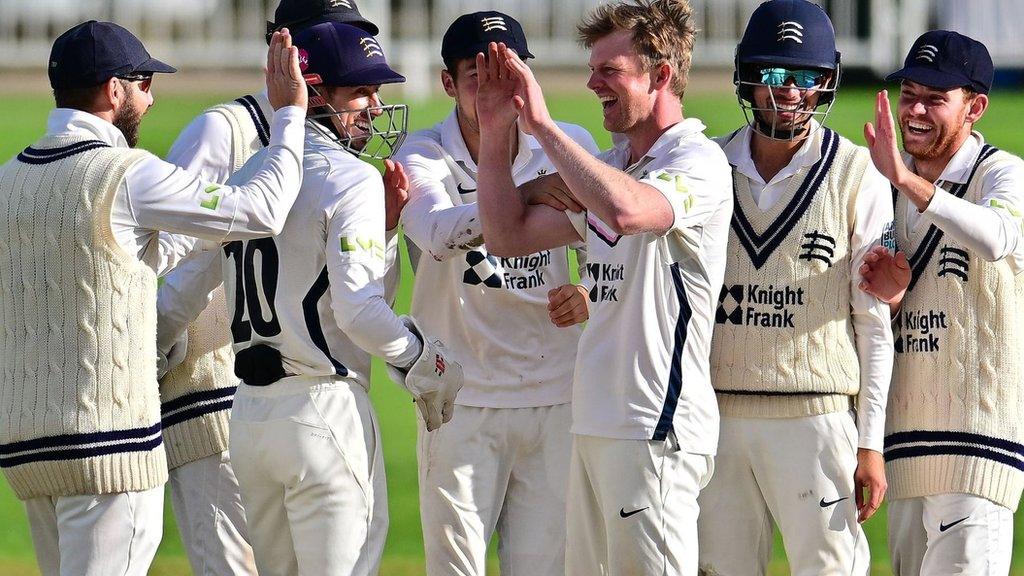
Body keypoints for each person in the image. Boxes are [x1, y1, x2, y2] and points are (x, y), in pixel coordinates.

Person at [155, 21, 463, 576]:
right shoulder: (353, 178)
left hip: (248, 420)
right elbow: (360, 310)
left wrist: (144, 352)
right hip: (325, 410)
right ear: (315, 92)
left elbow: (184, 290)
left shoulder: (250, 175)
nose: (375, 105)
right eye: (362, 92)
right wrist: (424, 358)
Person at [0, 20, 307, 576]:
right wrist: (287, 120)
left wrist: (197, 233)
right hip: (108, 447)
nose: (152, 96)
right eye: (144, 83)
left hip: (27, 447)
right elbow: (262, 211)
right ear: (114, 91)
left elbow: (117, 261)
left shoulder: (8, 181)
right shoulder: (127, 171)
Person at [470, 0, 734, 572]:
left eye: (609, 71)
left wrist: (542, 129)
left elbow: (626, 211)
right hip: (593, 421)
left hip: (654, 427)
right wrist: (496, 131)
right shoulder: (613, 164)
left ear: (660, 75)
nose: (592, 84)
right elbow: (506, 234)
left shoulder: (699, 160)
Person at [693, 1, 895, 574]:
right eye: (776, 75)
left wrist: (870, 443)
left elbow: (873, 324)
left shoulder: (858, 172)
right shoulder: (707, 165)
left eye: (806, 77)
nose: (790, 92)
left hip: (816, 416)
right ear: (748, 77)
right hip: (719, 416)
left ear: (826, 82)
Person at [394, 11, 596, 575]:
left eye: (506, 72)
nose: (494, 89)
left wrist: (589, 294)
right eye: (476, 75)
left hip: (555, 394)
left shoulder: (569, 143)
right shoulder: (424, 153)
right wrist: (527, 193)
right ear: (447, 83)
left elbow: (613, 253)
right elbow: (436, 233)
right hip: (460, 400)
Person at [858, 30, 1024, 576]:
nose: (916, 110)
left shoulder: (1001, 174)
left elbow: (996, 237)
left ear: (975, 107)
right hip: (903, 447)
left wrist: (905, 180)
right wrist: (893, 300)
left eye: (935, 98)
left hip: (978, 448)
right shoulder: (882, 186)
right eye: (909, 94)